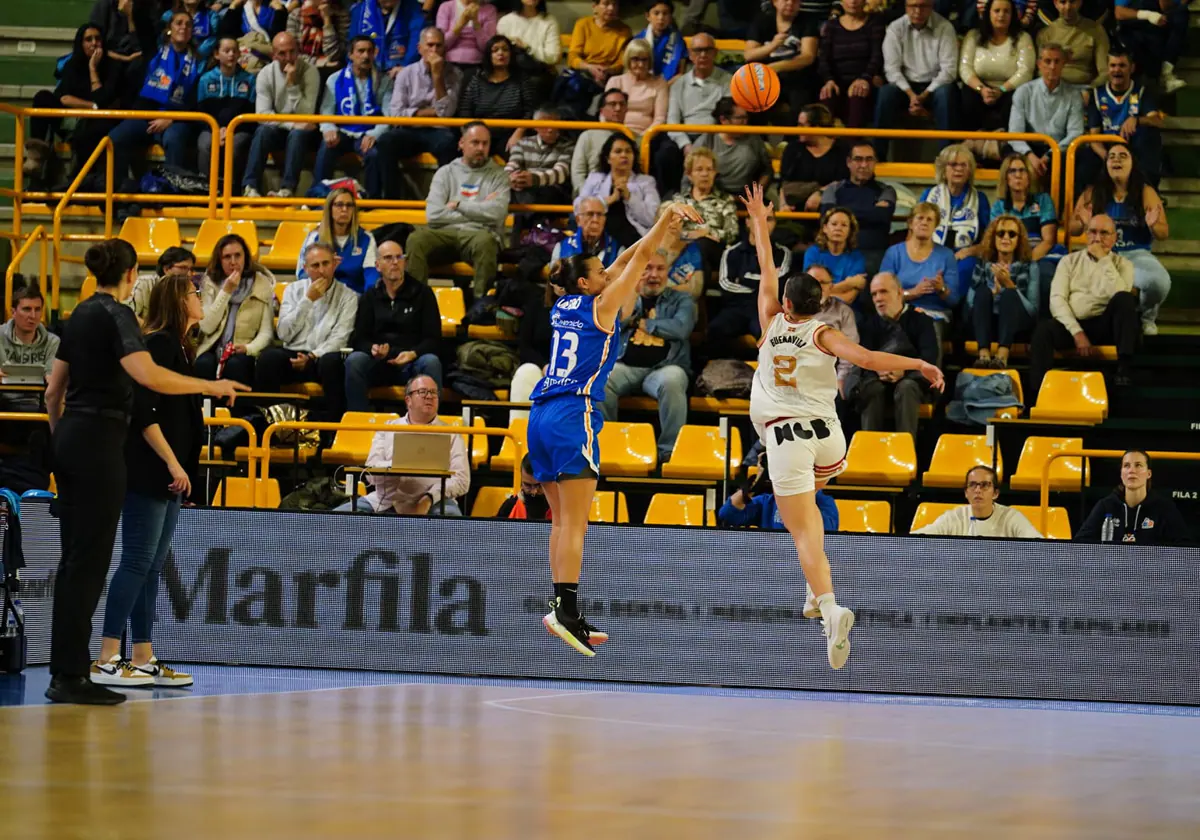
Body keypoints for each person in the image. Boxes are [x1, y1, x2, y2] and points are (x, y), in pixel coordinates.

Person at [742, 183, 943, 670]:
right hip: (829, 439)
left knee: (803, 532)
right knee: (809, 515)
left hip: (786, 437)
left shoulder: (771, 322)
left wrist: (760, 223)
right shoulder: (825, 331)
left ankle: (830, 607)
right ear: (820, 302)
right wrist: (919, 362)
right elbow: (871, 359)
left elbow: (766, 266)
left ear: (787, 304)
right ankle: (814, 595)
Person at [42, 239, 243, 705]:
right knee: (90, 565)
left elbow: (53, 393)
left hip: (70, 440)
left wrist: (60, 440)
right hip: (99, 443)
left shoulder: (78, 314)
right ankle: (74, 674)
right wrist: (211, 384)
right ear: (132, 274)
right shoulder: (117, 316)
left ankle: (66, 671)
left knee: (74, 563)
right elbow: (149, 377)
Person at [530, 202, 704, 656]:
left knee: (561, 522)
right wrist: (667, 220)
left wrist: (650, 233)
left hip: (541, 413)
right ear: (588, 283)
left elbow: (625, 258)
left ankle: (563, 608)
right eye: (601, 272)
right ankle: (564, 609)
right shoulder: (603, 306)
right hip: (572, 414)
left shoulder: (566, 302)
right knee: (577, 525)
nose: (610, 273)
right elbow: (641, 259)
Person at [91, 273, 207, 689]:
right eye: (195, 292)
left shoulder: (180, 346)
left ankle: (142, 656)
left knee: (152, 567)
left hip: (170, 476)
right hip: (148, 471)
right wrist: (174, 464)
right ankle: (106, 656)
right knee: (137, 561)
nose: (200, 297)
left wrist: (184, 471)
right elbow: (144, 413)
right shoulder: (158, 343)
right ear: (178, 300)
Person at [601, 252, 698, 462]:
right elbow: (609, 326)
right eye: (647, 268)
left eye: (660, 269)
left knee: (672, 381)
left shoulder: (683, 300)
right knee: (602, 380)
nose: (654, 275)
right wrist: (631, 302)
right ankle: (609, 445)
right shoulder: (625, 298)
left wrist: (644, 324)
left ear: (668, 272)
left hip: (665, 367)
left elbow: (680, 328)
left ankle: (669, 453)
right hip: (626, 366)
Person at [1029, 214, 1140, 393]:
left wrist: (1104, 260)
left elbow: (1119, 292)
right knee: (1043, 330)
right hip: (1073, 325)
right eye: (1093, 232)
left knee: (1125, 300)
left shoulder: (1123, 264)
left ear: (1114, 238)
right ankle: (1037, 393)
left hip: (1105, 325)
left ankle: (1124, 370)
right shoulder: (1068, 261)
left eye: (1104, 233)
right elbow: (1057, 300)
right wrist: (1077, 332)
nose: (1097, 238)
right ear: (1086, 234)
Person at [1072, 144, 1171, 333]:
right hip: (1101, 254)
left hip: (1136, 254)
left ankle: (1145, 316)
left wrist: (1152, 225)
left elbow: (1163, 234)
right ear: (1106, 164)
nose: (1116, 159)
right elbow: (1072, 229)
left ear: (1132, 163)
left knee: (1160, 283)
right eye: (1112, 156)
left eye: (1122, 156)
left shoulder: (1145, 192)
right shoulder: (1093, 192)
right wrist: (1083, 222)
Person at [405, 122, 510, 297]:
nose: (481, 148)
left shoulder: (499, 175)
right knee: (416, 239)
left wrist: (459, 205)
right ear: (461, 143)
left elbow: (497, 214)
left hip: (480, 236)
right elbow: (433, 215)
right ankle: (416, 303)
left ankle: (481, 306)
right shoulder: (445, 173)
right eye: (475, 143)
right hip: (445, 233)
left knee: (486, 242)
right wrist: (480, 209)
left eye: (485, 143)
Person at [339, 375, 470, 515]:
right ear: (408, 400)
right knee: (337, 517)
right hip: (386, 501)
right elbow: (370, 474)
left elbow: (462, 480)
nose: (429, 396)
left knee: (453, 524)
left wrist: (429, 498)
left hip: (436, 501)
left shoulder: (452, 434)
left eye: (433, 392)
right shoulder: (387, 429)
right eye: (422, 392)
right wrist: (394, 466)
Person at [256, 242, 358, 418]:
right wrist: (307, 300)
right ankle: (268, 423)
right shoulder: (293, 290)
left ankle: (331, 430)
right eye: (315, 265)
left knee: (332, 363)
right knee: (268, 358)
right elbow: (283, 333)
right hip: (293, 353)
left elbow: (340, 338)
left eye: (326, 263)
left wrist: (312, 356)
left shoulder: (348, 296)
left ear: (334, 264)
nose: (321, 270)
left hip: (322, 356)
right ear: (305, 268)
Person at [345, 238, 443, 411]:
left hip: (413, 361)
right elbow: (359, 339)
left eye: (399, 257)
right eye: (388, 258)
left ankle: (429, 423)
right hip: (380, 362)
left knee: (431, 361)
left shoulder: (423, 293)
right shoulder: (370, 296)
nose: (395, 262)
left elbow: (433, 339)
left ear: (405, 262)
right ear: (377, 265)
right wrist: (373, 349)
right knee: (355, 361)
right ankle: (359, 422)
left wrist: (413, 354)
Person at [107, 12, 203, 183]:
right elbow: (142, 21)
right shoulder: (154, 52)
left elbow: (195, 102)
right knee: (115, 138)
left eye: (188, 25)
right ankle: (119, 191)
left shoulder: (199, 61)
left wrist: (171, 118)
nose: (183, 27)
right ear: (169, 29)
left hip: (176, 119)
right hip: (146, 116)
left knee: (174, 138)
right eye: (179, 23)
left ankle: (172, 196)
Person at [847, 271, 940, 438]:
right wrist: (878, 370)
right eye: (874, 294)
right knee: (871, 388)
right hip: (878, 380)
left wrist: (904, 372)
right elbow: (861, 360)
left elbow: (929, 359)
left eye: (883, 291)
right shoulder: (868, 325)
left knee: (906, 387)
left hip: (912, 381)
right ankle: (869, 450)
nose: (878, 298)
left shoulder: (921, 321)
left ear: (899, 292)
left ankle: (906, 452)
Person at [29, 24, 122, 183]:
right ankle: (36, 158)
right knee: (42, 97)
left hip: (95, 124)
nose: (94, 43)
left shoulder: (113, 66)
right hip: (70, 118)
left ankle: (78, 179)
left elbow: (102, 100)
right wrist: (92, 106)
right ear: (81, 43)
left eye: (97, 39)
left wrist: (93, 69)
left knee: (93, 127)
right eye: (88, 39)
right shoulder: (73, 64)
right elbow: (63, 98)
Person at [377, 26, 463, 192]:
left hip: (439, 131)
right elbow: (396, 113)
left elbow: (446, 114)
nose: (434, 50)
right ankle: (390, 201)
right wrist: (431, 113)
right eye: (430, 45)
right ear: (420, 48)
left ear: (444, 48)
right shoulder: (405, 73)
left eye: (438, 45)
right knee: (386, 142)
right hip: (410, 130)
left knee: (450, 144)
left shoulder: (454, 73)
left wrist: (437, 76)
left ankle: (444, 200)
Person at [241, 31, 322, 200]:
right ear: (273, 55)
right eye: (282, 53)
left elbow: (306, 114)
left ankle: (287, 189)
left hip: (305, 131)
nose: (289, 57)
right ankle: (250, 187)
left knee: (298, 134)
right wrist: (291, 124)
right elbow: (262, 115)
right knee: (263, 131)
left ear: (298, 51)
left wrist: (292, 85)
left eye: (292, 51)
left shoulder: (310, 72)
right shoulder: (265, 74)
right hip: (281, 127)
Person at [875, 0, 958, 161]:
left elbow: (949, 71)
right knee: (885, 94)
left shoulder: (945, 27)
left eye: (923, 6)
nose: (918, 11)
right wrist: (911, 95)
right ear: (906, 7)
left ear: (932, 6)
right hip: (905, 86)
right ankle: (878, 156)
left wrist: (925, 94)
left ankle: (947, 159)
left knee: (947, 94)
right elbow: (892, 69)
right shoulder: (895, 28)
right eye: (913, 6)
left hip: (934, 85)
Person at [314, 36, 394, 201]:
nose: (365, 56)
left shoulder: (384, 81)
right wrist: (329, 129)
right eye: (360, 51)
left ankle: (373, 201)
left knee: (374, 154)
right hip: (342, 131)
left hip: (368, 132)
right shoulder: (335, 79)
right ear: (351, 55)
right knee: (326, 147)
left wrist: (375, 134)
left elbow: (389, 115)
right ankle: (319, 196)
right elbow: (326, 110)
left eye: (369, 51)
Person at [195, 233, 277, 386]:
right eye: (227, 257)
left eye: (237, 255)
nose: (233, 262)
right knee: (203, 365)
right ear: (219, 260)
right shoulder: (210, 282)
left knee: (236, 365)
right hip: (213, 347)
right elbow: (206, 326)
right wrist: (226, 291)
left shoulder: (261, 283)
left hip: (245, 349)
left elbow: (266, 332)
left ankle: (236, 410)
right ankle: (207, 410)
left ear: (245, 257)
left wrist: (248, 348)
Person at [880, 201, 960, 355]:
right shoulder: (894, 253)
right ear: (910, 223)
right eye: (920, 218)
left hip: (935, 313)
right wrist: (912, 293)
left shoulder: (946, 255)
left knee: (928, 325)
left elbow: (954, 299)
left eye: (929, 219)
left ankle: (931, 377)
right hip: (901, 311)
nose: (924, 222)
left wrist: (941, 289)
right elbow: (883, 292)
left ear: (936, 225)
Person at [710, 205, 793, 349]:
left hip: (767, 308)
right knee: (715, 330)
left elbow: (781, 283)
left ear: (775, 224)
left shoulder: (783, 253)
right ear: (748, 222)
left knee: (772, 334)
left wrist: (745, 279)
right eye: (757, 218)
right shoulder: (731, 252)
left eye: (769, 219)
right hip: (738, 307)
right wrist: (764, 285)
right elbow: (725, 285)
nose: (762, 223)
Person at [659, 32, 731, 195]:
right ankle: (670, 198)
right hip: (686, 134)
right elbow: (672, 121)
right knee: (664, 154)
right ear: (690, 55)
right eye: (698, 50)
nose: (703, 55)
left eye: (707, 50)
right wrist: (686, 145)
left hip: (714, 135)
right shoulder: (679, 84)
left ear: (715, 53)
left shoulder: (728, 81)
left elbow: (727, 116)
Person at [1083, 49, 1165, 189]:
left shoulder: (1141, 91)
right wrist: (1109, 158)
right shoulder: (1097, 95)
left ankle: (1148, 196)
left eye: (1122, 65)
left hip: (1133, 147)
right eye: (1113, 66)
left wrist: (1137, 120)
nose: (1117, 70)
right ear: (1107, 68)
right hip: (1107, 148)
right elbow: (1094, 137)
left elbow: (1157, 120)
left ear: (1131, 68)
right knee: (1085, 161)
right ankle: (1085, 205)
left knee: (1149, 135)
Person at [1007, 43, 1084, 192]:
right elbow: (1014, 133)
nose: (1052, 66)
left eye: (1057, 61)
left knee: (1080, 157)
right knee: (1011, 154)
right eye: (1048, 61)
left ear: (1064, 64)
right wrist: (1030, 156)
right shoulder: (1023, 92)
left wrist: (1050, 155)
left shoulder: (1074, 95)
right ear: (1039, 64)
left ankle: (1066, 210)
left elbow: (1076, 132)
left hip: (1058, 149)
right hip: (1030, 147)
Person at [959, 0, 1035, 148]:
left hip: (1008, 89)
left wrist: (1001, 90)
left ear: (1013, 15)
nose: (1001, 15)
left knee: (1019, 96)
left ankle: (1008, 148)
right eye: (997, 11)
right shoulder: (973, 35)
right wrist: (982, 90)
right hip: (979, 89)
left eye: (1006, 11)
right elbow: (964, 68)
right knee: (966, 95)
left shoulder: (1023, 37)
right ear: (988, 13)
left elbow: (1025, 71)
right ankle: (970, 146)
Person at [991, 152, 1060, 315]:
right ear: (1005, 178)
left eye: (1022, 171)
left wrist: (1026, 262)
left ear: (1029, 176)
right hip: (1009, 256)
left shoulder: (1043, 200)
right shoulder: (999, 207)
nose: (1018, 175)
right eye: (1012, 171)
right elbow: (996, 241)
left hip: (1040, 256)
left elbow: (1048, 240)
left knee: (1043, 275)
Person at [1076, 450, 1192, 543]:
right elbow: (1081, 542)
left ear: (1148, 474)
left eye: (1138, 465)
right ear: (1121, 474)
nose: (1132, 470)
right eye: (1126, 466)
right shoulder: (1105, 505)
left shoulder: (1164, 508)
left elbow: (1184, 546)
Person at [970, 215, 1039, 368]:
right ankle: (983, 356)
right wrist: (992, 294)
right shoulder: (983, 263)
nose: (1006, 238)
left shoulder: (1030, 266)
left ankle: (1002, 357)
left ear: (1019, 240)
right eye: (1001, 233)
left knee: (1009, 295)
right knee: (982, 292)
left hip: (1017, 320)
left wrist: (1010, 285)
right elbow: (970, 303)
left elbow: (1033, 310)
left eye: (1012, 234)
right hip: (988, 319)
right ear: (993, 238)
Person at [819, 141, 897, 277]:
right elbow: (827, 216)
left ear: (875, 163)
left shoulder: (886, 190)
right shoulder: (834, 189)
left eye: (869, 159)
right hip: (837, 249)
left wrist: (842, 212)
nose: (864, 165)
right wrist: (870, 212)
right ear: (849, 162)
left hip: (873, 251)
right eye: (858, 159)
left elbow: (882, 217)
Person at [920, 144, 991, 284]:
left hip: (964, 255)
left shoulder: (980, 199)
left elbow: (988, 239)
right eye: (953, 164)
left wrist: (969, 251)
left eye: (963, 165)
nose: (958, 169)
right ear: (943, 169)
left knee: (965, 268)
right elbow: (915, 230)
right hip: (930, 252)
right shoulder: (929, 195)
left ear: (970, 170)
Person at [455, 34, 538, 154]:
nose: (501, 53)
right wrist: (469, 135)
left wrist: (518, 133)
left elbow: (530, 111)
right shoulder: (477, 80)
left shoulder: (522, 80)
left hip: (510, 134)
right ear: (489, 55)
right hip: (480, 133)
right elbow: (465, 111)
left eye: (505, 49)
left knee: (516, 152)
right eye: (495, 50)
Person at [196, 37, 257, 194]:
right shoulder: (205, 79)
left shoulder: (249, 80)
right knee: (205, 144)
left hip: (239, 128)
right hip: (211, 127)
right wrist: (217, 129)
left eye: (234, 51)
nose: (231, 54)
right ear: (217, 54)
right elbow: (202, 113)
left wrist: (229, 130)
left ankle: (233, 191)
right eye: (226, 51)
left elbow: (250, 113)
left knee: (235, 144)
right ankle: (206, 191)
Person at [579, 133, 661, 248]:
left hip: (633, 239)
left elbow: (652, 219)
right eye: (618, 151)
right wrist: (608, 200)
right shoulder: (595, 179)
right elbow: (578, 207)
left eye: (628, 151)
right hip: (599, 237)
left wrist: (629, 197)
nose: (624, 155)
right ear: (608, 158)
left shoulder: (646, 182)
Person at [913, 465, 1042, 537]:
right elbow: (921, 537)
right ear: (966, 493)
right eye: (973, 485)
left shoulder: (1011, 517)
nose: (978, 490)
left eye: (985, 485)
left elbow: (1036, 543)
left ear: (995, 493)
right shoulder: (954, 517)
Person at [744, 0, 821, 120]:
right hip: (764, 78)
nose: (790, 3)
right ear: (774, 2)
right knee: (752, 98)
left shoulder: (808, 22)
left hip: (796, 77)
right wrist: (773, 45)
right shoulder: (762, 21)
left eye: (795, 1)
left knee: (800, 99)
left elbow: (808, 57)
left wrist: (776, 67)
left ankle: (792, 138)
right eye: (785, 0)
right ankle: (758, 137)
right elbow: (749, 55)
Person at [558, 0, 632, 120]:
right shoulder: (583, 24)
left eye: (615, 4)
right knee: (574, 87)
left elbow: (621, 63)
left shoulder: (624, 31)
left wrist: (606, 71)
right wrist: (590, 68)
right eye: (606, 4)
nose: (611, 8)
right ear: (595, 7)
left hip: (608, 76)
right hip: (583, 71)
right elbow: (573, 57)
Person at [817, 0, 886, 129]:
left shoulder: (874, 22)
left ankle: (854, 146)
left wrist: (865, 78)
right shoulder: (832, 26)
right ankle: (827, 146)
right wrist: (829, 80)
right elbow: (824, 58)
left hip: (865, 80)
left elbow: (877, 56)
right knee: (827, 96)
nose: (853, 2)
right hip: (837, 81)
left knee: (858, 96)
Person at [297, 188, 379, 294]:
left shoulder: (366, 238)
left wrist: (367, 301)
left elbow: (371, 274)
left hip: (355, 299)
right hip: (322, 298)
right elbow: (302, 273)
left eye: (349, 205)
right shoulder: (315, 237)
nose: (344, 209)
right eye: (339, 205)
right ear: (330, 209)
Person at [719, 461, 840, 531]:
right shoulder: (767, 502)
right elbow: (728, 514)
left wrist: (805, 491)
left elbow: (826, 531)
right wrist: (755, 484)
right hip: (772, 561)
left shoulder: (824, 502)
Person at [675, 146, 738, 278]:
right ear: (689, 175)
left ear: (715, 173)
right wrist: (691, 234)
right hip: (684, 248)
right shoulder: (679, 201)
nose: (705, 174)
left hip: (715, 250)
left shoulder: (725, 200)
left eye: (709, 169)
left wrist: (706, 232)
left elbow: (732, 233)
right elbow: (672, 232)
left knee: (702, 244)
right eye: (699, 169)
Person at [691, 98, 773, 197]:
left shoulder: (754, 140)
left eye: (746, 117)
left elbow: (767, 171)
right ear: (723, 120)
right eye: (740, 118)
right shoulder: (707, 140)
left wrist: (756, 196)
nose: (745, 122)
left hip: (746, 198)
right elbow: (689, 175)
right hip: (713, 197)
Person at [778, 104, 849, 213]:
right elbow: (784, 184)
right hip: (796, 211)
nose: (797, 129)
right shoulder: (793, 149)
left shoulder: (842, 150)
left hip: (831, 213)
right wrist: (783, 205)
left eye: (802, 125)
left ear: (816, 127)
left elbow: (843, 183)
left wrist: (820, 193)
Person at [1113, 0, 1188, 93]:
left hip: (1156, 28)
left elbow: (1165, 7)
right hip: (1132, 30)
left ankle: (1166, 71)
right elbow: (1119, 12)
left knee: (1181, 14)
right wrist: (1148, 15)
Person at [1036, 0, 1109, 91]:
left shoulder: (1096, 30)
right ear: (1056, 4)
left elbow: (1105, 72)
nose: (1068, 7)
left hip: (1083, 89)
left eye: (1072, 2)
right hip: (1052, 89)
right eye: (1063, 2)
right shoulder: (1046, 33)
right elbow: (1041, 70)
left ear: (1080, 2)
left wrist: (1091, 90)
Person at [570, 89, 630, 194]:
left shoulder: (633, 137)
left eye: (622, 104)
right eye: (612, 104)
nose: (618, 108)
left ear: (627, 109)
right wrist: (586, 196)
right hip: (592, 195)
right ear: (602, 110)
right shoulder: (587, 136)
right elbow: (578, 172)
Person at [605, 39, 668, 139]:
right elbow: (605, 116)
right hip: (616, 135)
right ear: (627, 60)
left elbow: (660, 119)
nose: (641, 64)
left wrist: (642, 139)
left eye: (644, 60)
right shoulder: (615, 81)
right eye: (635, 59)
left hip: (648, 137)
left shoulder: (659, 83)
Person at [349, 0, 426, 75]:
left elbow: (417, 41)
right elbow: (352, 45)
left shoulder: (413, 9)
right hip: (367, 71)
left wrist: (406, 67)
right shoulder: (360, 11)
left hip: (400, 69)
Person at [804, 207, 867, 296]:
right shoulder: (812, 253)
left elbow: (849, 298)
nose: (838, 228)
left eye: (844, 225)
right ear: (825, 228)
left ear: (850, 231)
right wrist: (849, 284)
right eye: (834, 224)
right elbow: (811, 291)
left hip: (847, 308)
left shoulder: (857, 257)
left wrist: (824, 290)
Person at [496, 0, 562, 84]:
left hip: (539, 74)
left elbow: (553, 57)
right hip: (511, 73)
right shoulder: (506, 21)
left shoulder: (549, 21)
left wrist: (527, 48)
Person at [128, 247, 197, 324]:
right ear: (166, 269)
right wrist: (150, 331)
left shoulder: (189, 290)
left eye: (191, 269)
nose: (189, 274)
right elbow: (129, 316)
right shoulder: (144, 284)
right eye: (183, 268)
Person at [551, 196, 624, 266]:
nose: (595, 220)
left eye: (599, 214)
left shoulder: (618, 251)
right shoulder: (561, 248)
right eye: (590, 214)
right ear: (578, 220)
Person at [286, 0, 350, 73]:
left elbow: (334, 55)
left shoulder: (342, 16)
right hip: (301, 69)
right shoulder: (296, 15)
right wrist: (318, 62)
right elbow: (291, 54)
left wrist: (327, 20)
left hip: (331, 72)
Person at [435, 0, 498, 72]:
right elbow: (441, 45)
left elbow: (487, 47)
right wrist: (461, 24)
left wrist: (475, 22)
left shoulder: (490, 10)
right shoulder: (446, 7)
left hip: (478, 64)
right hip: (449, 63)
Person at [637, 0, 686, 82]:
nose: (661, 18)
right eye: (656, 13)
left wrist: (666, 86)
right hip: (645, 83)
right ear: (647, 16)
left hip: (671, 84)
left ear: (670, 17)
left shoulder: (677, 38)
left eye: (665, 13)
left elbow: (681, 71)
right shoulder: (639, 39)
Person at [495, 454, 551, 519]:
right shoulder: (510, 507)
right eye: (527, 485)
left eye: (539, 485)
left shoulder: (562, 508)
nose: (534, 492)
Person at [219, 0, 288, 40]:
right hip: (245, 51)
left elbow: (278, 36)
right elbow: (226, 34)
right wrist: (232, 7)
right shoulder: (240, 6)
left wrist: (279, 11)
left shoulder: (277, 7)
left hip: (269, 52)